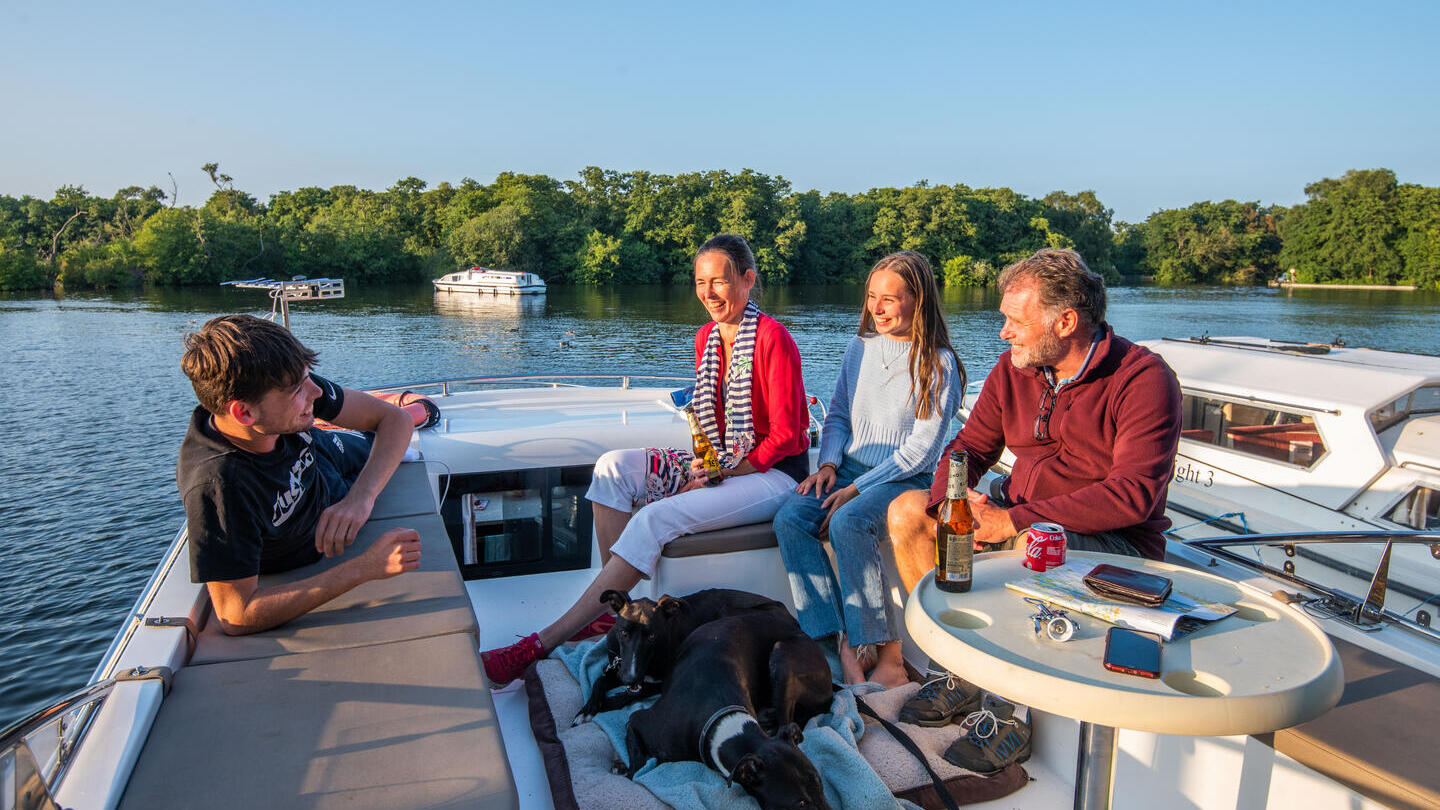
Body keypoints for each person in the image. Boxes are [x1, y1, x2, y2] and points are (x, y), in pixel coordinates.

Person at [481, 234, 810, 686]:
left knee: (655, 518)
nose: (708, 294)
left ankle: (544, 642)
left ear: (748, 280)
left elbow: (788, 436)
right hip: (723, 462)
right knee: (612, 468)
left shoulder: (774, 338)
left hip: (774, 475)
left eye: (720, 281)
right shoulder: (706, 339)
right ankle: (612, 609)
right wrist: (703, 466)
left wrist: (719, 472)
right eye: (700, 282)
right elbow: (711, 426)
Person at [886, 247, 1181, 735]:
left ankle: (1008, 720)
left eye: (1015, 322)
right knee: (907, 511)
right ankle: (957, 672)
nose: (1003, 333)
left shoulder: (1143, 378)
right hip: (1019, 515)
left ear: (1065, 321)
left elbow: (1133, 495)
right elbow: (968, 447)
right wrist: (949, 501)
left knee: (1034, 543)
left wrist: (1013, 521)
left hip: (1115, 542)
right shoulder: (1013, 369)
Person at [773, 251, 962, 688]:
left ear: (918, 301)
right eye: (872, 296)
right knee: (790, 517)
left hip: (902, 476)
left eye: (890, 300)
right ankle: (832, 640)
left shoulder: (938, 363)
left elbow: (922, 449)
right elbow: (837, 414)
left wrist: (856, 488)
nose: (876, 308)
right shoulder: (859, 347)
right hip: (849, 467)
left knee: (849, 522)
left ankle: (883, 653)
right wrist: (828, 464)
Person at [178, 314, 422, 636]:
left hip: (323, 455)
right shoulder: (220, 485)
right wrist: (364, 568)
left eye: (309, 378)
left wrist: (360, 499)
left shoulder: (295, 388)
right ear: (245, 412)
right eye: (297, 390)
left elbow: (395, 420)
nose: (315, 392)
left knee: (386, 438)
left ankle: (420, 414)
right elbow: (235, 615)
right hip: (315, 509)